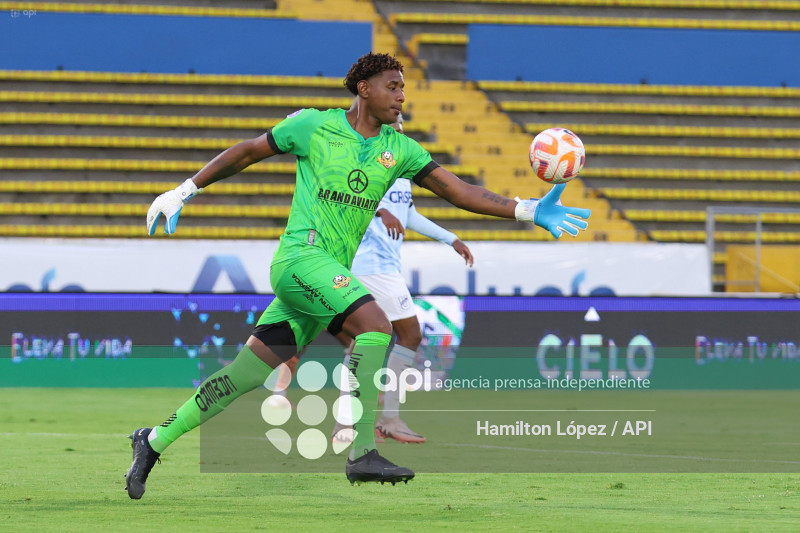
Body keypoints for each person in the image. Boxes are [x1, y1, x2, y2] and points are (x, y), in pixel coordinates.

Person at [126, 52, 591, 499]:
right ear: (364, 89)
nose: (401, 96)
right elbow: (247, 152)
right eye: (393, 87)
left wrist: (526, 210)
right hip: (299, 261)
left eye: (404, 89)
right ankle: (362, 450)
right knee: (376, 327)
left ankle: (154, 440)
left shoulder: (399, 149)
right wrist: (184, 190)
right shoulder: (313, 125)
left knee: (245, 374)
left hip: (324, 277)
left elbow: (458, 190)